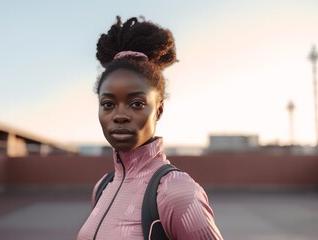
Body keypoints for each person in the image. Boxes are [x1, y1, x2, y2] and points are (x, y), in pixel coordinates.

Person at [77, 16, 223, 240]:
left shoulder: (177, 191)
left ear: (159, 110)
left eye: (137, 104)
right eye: (108, 104)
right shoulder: (102, 187)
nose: (120, 116)